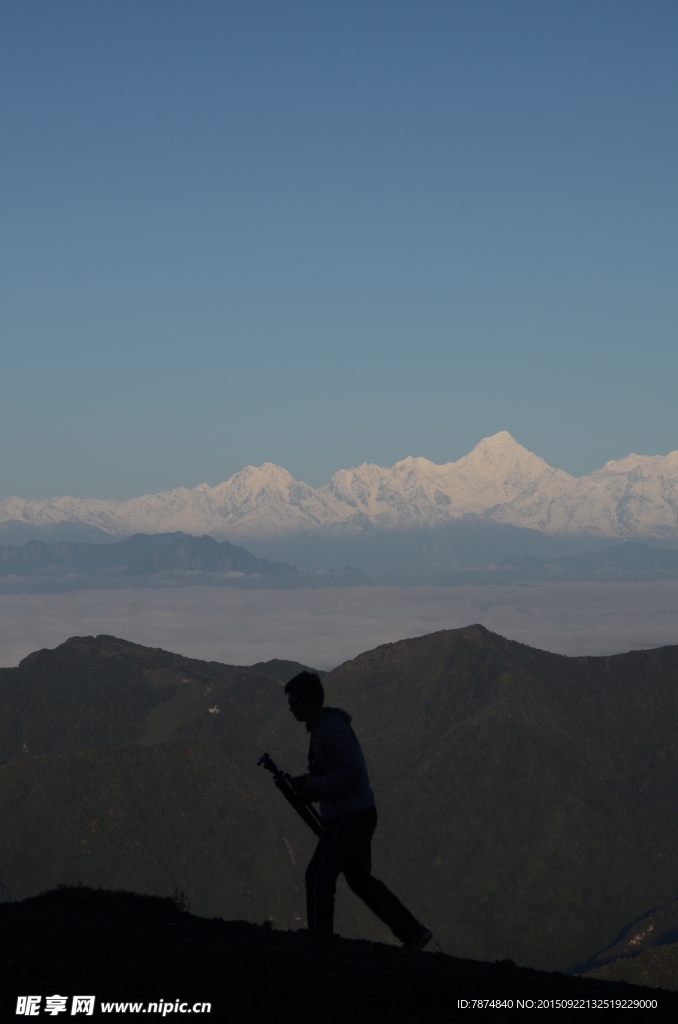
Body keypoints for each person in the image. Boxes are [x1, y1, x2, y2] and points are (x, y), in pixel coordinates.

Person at [285, 670, 432, 950]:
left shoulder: (330, 729)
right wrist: (310, 785)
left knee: (318, 875)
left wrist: (313, 787)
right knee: (360, 880)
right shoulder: (324, 728)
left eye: (295, 704)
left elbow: (352, 772)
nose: (291, 710)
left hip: (350, 816)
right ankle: (413, 932)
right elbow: (337, 774)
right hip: (358, 812)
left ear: (311, 701)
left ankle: (320, 940)